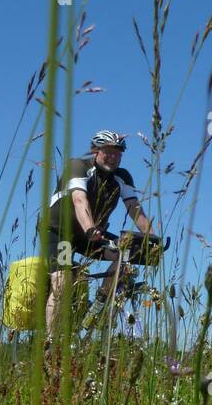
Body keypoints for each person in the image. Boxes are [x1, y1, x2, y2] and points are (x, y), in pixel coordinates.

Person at [44, 130, 165, 336]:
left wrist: (152, 239)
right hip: (61, 233)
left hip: (91, 236)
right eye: (107, 152)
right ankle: (50, 344)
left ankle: (97, 308)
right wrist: (90, 228)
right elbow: (79, 200)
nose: (113, 157)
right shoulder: (78, 166)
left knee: (124, 257)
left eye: (117, 153)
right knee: (62, 282)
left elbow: (135, 209)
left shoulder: (122, 176)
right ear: (95, 151)